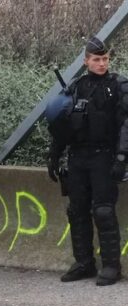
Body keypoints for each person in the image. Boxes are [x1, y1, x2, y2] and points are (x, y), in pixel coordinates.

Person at [47, 37, 128, 286]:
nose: (101, 63)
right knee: (77, 211)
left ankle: (112, 265)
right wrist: (54, 153)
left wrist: (122, 157)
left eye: (105, 59)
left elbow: (126, 124)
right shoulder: (77, 86)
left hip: (104, 156)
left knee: (103, 211)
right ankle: (84, 262)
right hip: (78, 157)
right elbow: (62, 124)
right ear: (86, 61)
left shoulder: (119, 85)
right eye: (96, 59)